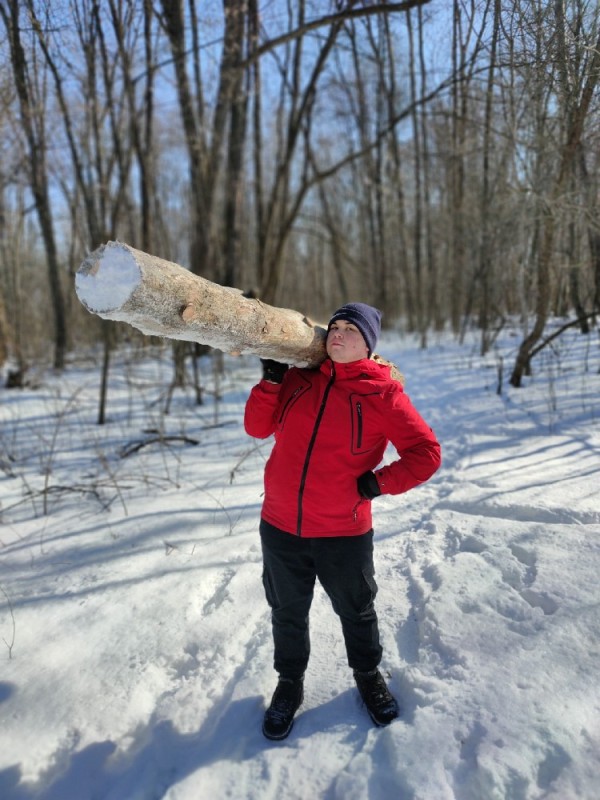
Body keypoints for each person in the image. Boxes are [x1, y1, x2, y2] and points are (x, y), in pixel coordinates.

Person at [244, 302, 441, 740]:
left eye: (351, 328)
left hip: (342, 532)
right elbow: (257, 429)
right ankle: (289, 683)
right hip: (279, 525)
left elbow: (426, 454)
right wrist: (271, 381)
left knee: (356, 610)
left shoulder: (382, 393)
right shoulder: (298, 378)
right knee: (287, 611)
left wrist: (376, 484)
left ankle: (368, 675)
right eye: (334, 325)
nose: (338, 333)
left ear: (369, 344)